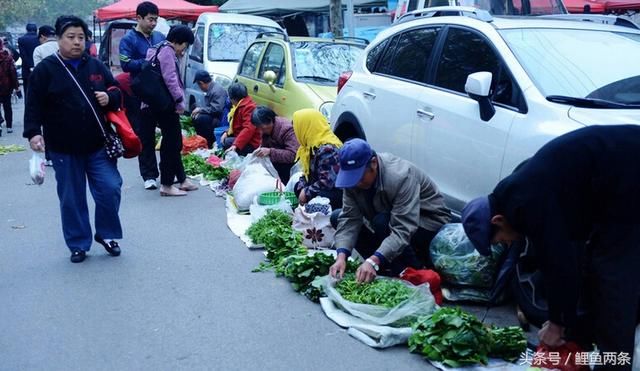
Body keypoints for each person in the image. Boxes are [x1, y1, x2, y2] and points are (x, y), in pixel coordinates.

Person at [460, 125, 640, 370]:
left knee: (613, 281)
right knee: (596, 268)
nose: (507, 243)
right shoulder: (517, 195)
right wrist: (562, 320)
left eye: (500, 239)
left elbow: (561, 264)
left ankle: (614, 364)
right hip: (616, 187)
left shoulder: (529, 203)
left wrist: (556, 323)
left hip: (630, 180)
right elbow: (568, 263)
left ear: (497, 221)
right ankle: (582, 350)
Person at [23, 15, 124, 263]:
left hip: (97, 144)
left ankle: (107, 234)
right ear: (59, 39)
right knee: (71, 196)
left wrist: (109, 98)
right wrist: (34, 132)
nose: (77, 42)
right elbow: (33, 104)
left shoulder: (95, 66)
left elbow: (116, 91)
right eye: (71, 37)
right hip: (63, 147)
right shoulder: (46, 70)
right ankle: (78, 243)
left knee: (110, 188)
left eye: (81, 37)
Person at [329, 139, 451, 283]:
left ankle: (414, 269)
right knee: (337, 216)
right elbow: (350, 219)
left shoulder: (401, 176)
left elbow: (403, 229)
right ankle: (382, 266)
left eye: (359, 178)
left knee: (382, 222)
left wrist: (374, 260)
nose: (355, 183)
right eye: (351, 178)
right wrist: (341, 256)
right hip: (388, 218)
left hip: (427, 222)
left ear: (373, 163)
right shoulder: (353, 181)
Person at [141, 25, 197, 197]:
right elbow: (171, 79)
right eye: (185, 46)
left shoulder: (156, 48)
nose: (184, 50)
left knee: (173, 141)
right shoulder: (167, 51)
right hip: (165, 105)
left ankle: (182, 179)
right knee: (171, 144)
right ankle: (166, 184)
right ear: (179, 42)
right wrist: (180, 102)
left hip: (153, 104)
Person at [119, 1, 165, 190]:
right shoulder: (128, 39)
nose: (153, 23)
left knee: (169, 133)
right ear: (138, 18)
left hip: (160, 92)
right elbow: (125, 63)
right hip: (138, 93)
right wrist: (146, 62)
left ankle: (169, 172)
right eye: (150, 19)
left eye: (156, 20)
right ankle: (149, 175)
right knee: (144, 135)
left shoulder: (160, 37)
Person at [292, 109, 343, 210]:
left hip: (335, 192)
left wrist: (306, 193)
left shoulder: (327, 149)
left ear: (306, 127)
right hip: (321, 186)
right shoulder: (310, 146)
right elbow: (307, 174)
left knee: (320, 195)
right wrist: (303, 187)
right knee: (298, 186)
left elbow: (327, 182)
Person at [250, 106, 299, 184]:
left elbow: (293, 155)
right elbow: (264, 144)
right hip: (277, 161)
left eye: (262, 128)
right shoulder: (266, 130)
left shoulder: (286, 129)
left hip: (289, 166)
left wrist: (270, 151)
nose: (261, 131)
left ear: (270, 120)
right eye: (259, 128)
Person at [191, 70, 228, 148]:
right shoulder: (211, 88)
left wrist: (200, 110)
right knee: (196, 115)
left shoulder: (217, 90)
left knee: (201, 119)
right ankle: (201, 141)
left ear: (201, 83)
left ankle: (208, 143)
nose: (199, 87)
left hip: (221, 118)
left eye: (199, 85)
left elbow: (217, 109)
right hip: (215, 115)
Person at [220, 83, 260, 156]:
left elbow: (248, 129)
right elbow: (235, 125)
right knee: (223, 136)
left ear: (233, 98)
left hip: (252, 143)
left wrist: (236, 145)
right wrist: (226, 132)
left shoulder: (249, 107)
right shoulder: (241, 104)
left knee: (227, 142)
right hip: (241, 137)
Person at [0, 38, 20, 134]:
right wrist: (16, 86)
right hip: (6, 85)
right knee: (7, 106)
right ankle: (9, 126)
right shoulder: (8, 58)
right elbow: (13, 73)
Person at [17, 23, 39, 94]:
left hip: (26, 69)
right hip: (39, 68)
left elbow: (23, 55)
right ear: (36, 29)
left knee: (27, 91)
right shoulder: (39, 39)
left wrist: (30, 66)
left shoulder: (21, 39)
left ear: (27, 30)